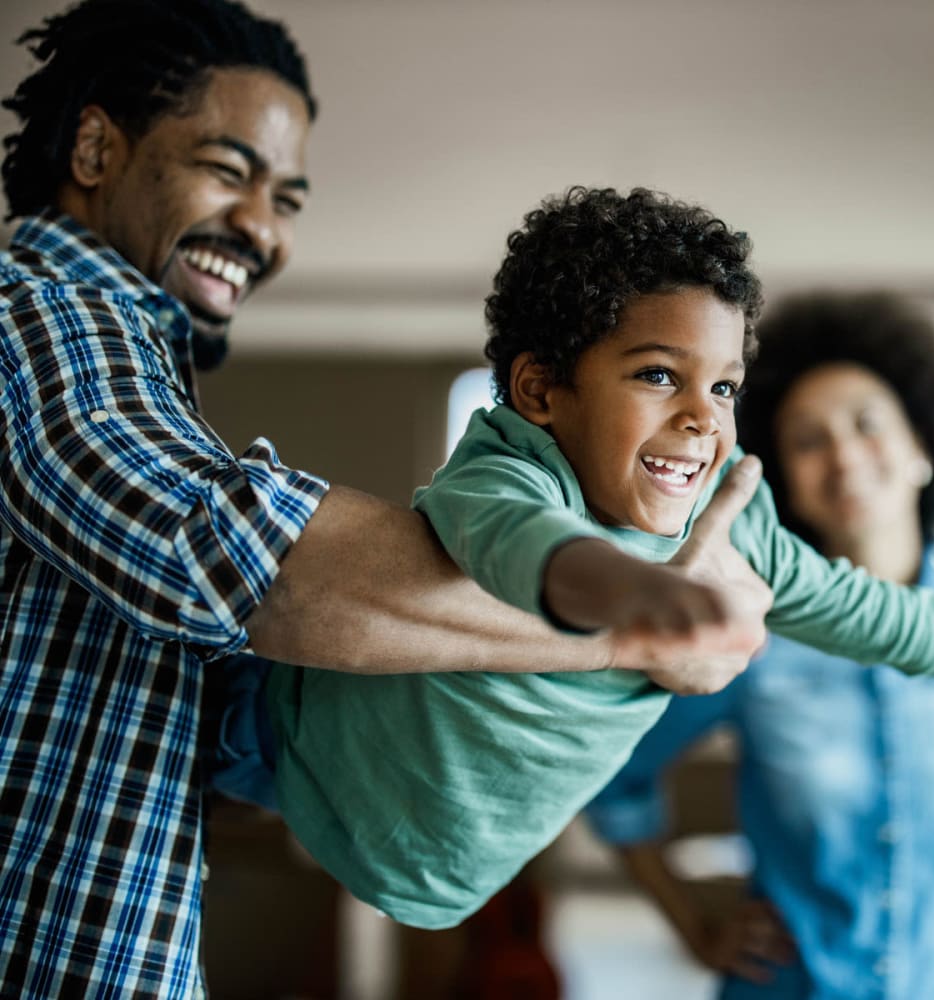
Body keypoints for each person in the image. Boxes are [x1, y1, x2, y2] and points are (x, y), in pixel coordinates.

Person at [0, 5, 772, 997]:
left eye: (287, 197)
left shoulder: (130, 362)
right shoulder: (39, 310)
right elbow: (221, 556)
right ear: (97, 146)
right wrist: (643, 624)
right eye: (230, 172)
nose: (263, 229)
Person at [253, 189, 934, 934]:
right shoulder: (511, 468)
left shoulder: (732, 519)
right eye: (658, 375)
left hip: (439, 875)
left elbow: (890, 619)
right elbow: (524, 543)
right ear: (541, 390)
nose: (703, 416)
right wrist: (633, 592)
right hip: (293, 758)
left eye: (723, 386)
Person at [585, 290, 934, 999]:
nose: (842, 455)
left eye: (867, 425)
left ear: (923, 448)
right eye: (808, 439)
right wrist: (694, 924)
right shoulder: (748, 633)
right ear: (783, 484)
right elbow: (614, 775)